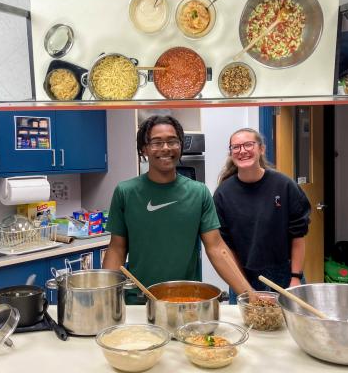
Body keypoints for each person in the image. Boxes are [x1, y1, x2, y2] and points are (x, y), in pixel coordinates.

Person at [102, 115, 253, 304]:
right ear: (144, 149)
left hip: (187, 300)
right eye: (156, 142)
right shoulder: (126, 192)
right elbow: (117, 248)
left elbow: (216, 248)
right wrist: (105, 299)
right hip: (139, 301)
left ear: (180, 145)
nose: (166, 148)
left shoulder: (199, 193)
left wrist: (249, 295)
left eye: (172, 141)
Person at [213, 128, 311, 291]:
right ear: (231, 153)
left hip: (286, 274)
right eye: (236, 147)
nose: (242, 151)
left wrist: (295, 278)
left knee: (289, 317)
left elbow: (298, 236)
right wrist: (243, 286)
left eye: (248, 145)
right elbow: (227, 247)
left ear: (261, 149)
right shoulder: (223, 194)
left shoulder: (284, 185)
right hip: (244, 275)